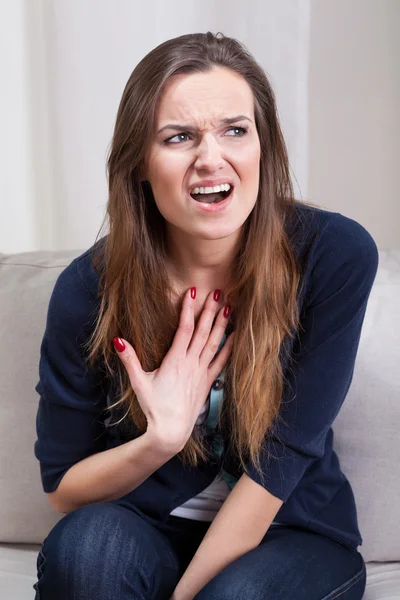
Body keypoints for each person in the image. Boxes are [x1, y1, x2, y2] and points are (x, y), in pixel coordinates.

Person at [33, 31, 378, 600]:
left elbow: (281, 460)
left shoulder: (333, 255)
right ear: (140, 162)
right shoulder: (88, 288)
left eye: (235, 131)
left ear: (263, 147)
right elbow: (64, 491)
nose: (210, 159)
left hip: (288, 534)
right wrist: (159, 441)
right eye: (179, 137)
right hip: (146, 529)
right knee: (86, 550)